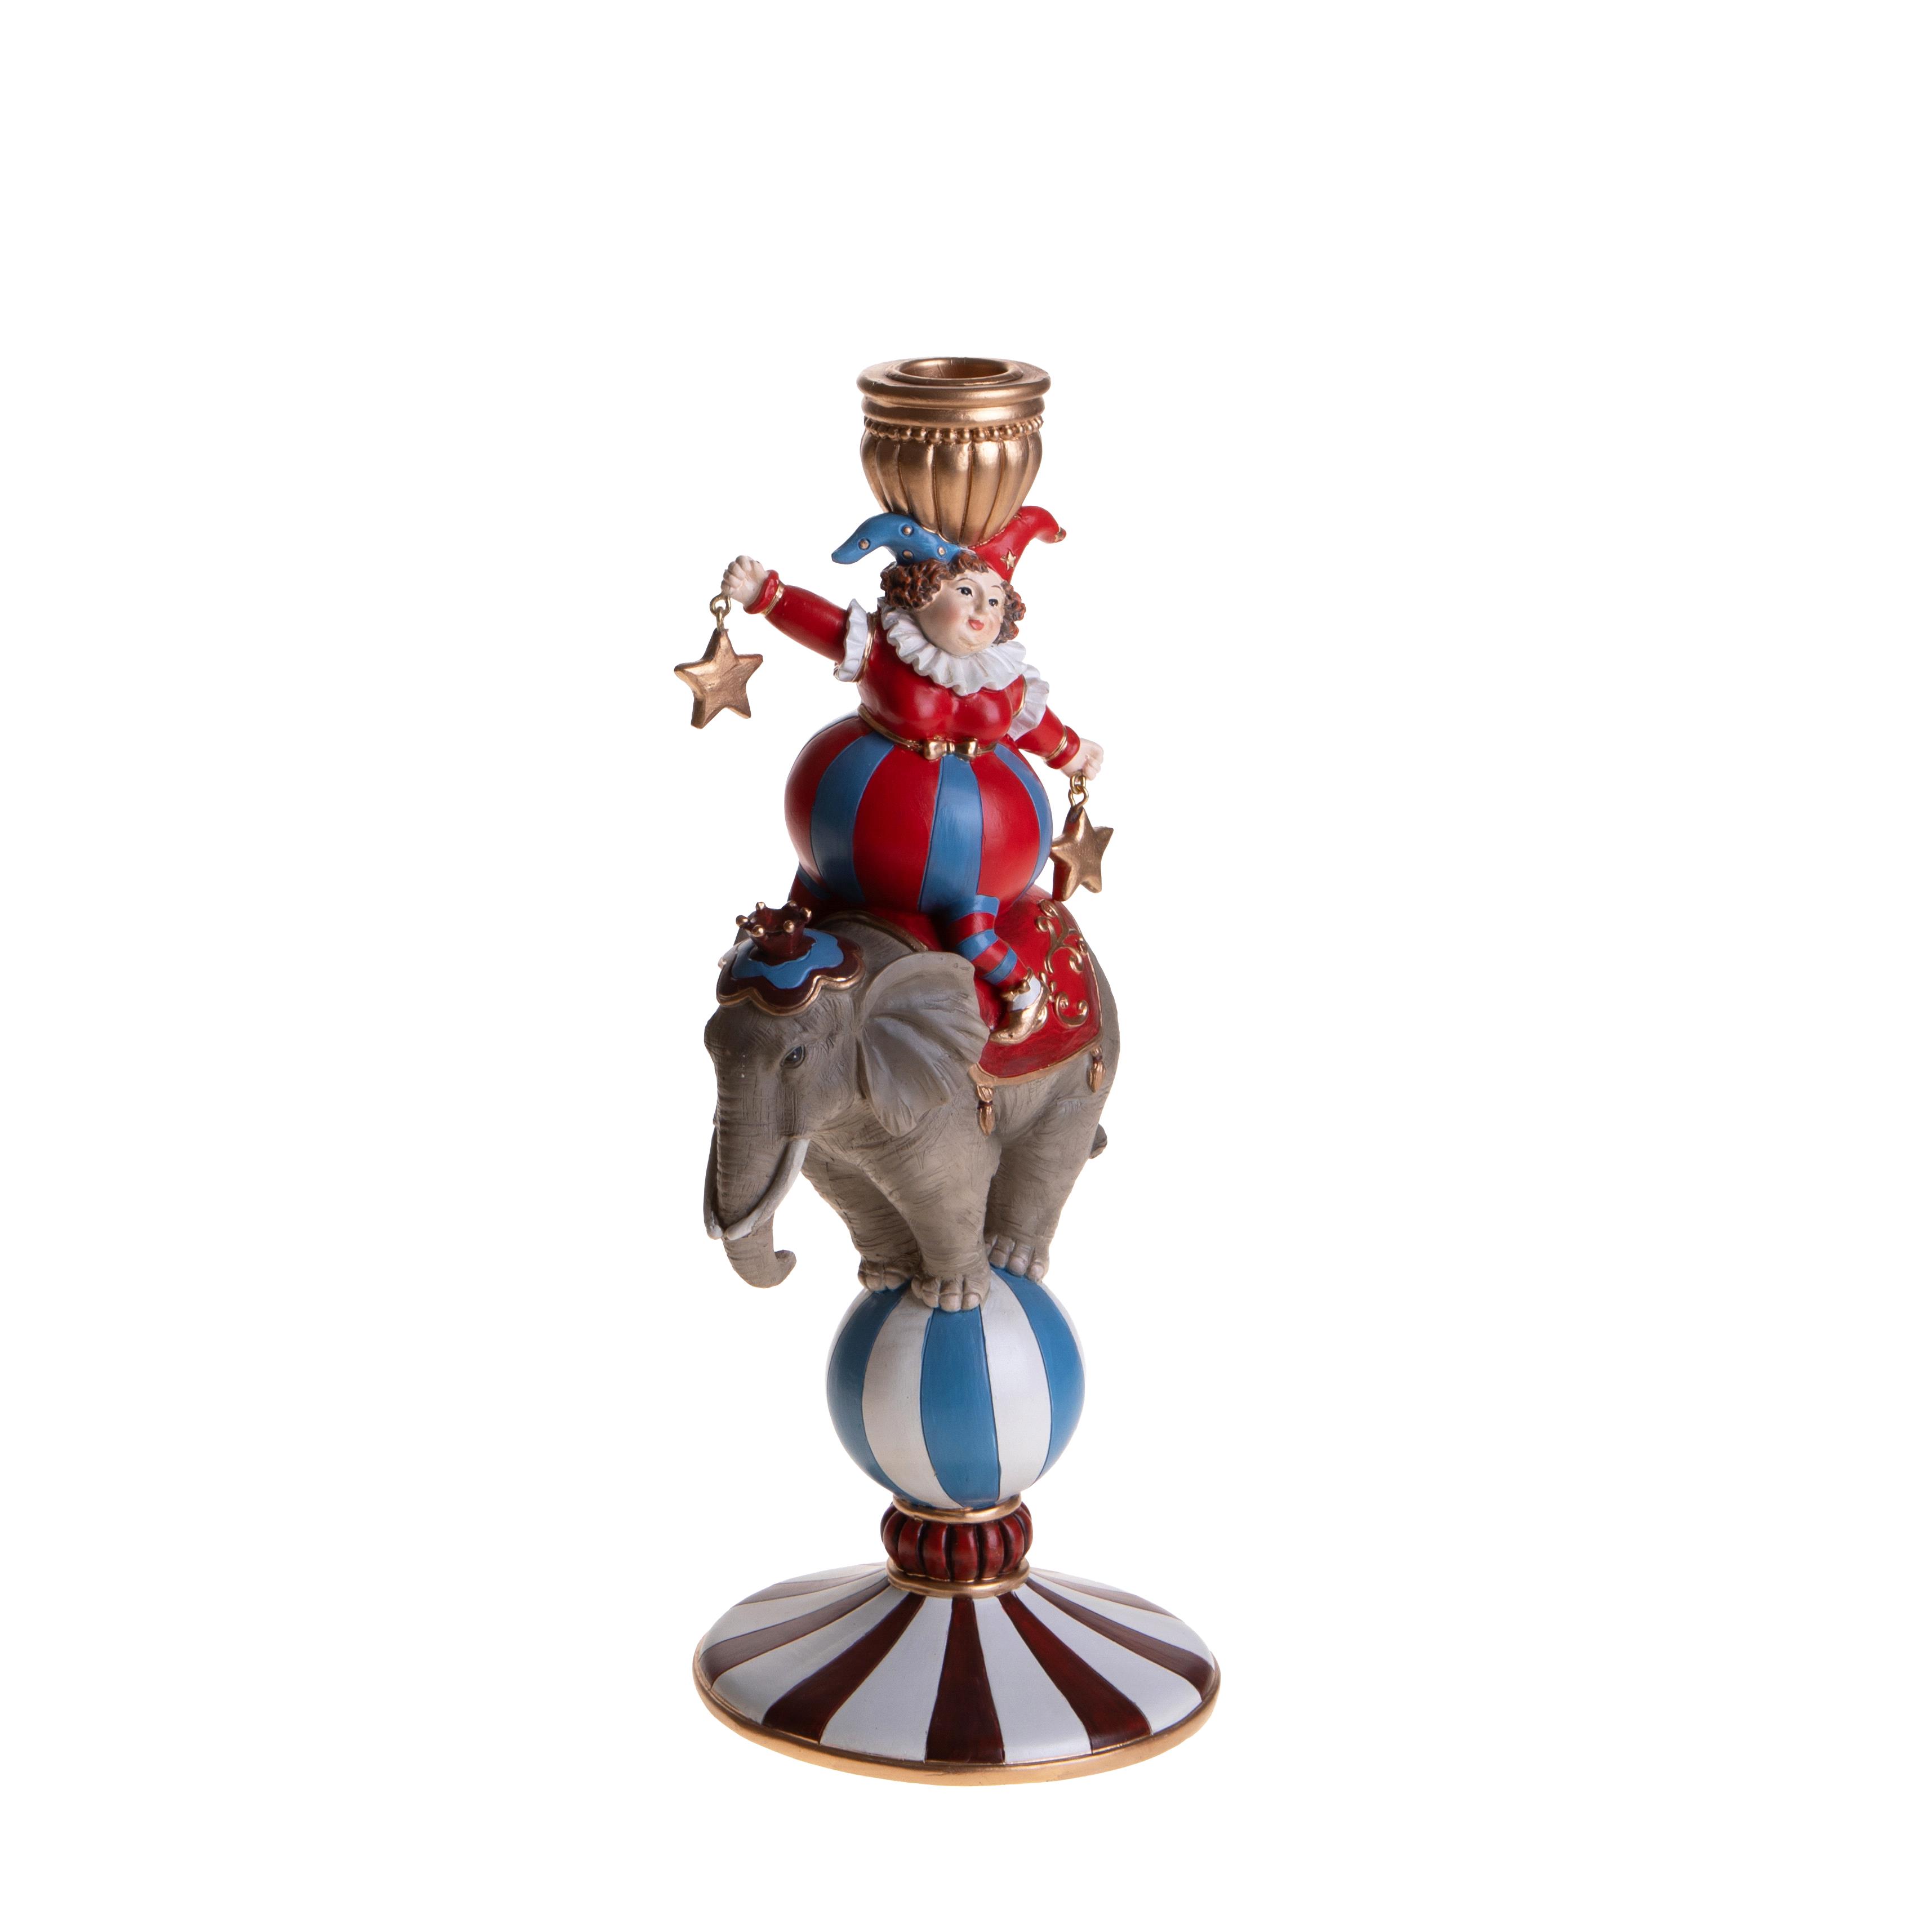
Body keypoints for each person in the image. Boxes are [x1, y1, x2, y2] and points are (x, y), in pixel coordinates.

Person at [719, 508, 1103, 1041]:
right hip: (855, 831)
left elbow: (1038, 726)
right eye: (966, 592)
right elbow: (824, 625)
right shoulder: (886, 647)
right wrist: (766, 593)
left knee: (972, 931)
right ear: (921, 592)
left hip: (981, 852)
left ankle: (1022, 988)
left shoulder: (1003, 676)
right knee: (814, 882)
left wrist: (1073, 752)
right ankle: (787, 930)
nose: (983, 611)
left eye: (995, 600)